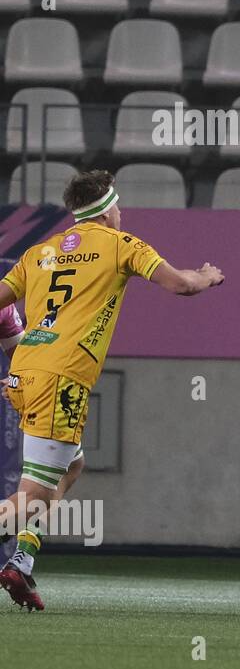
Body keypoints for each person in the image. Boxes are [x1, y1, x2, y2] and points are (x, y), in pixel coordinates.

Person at [0, 171, 224, 610]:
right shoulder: (122, 245)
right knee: (30, 499)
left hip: (25, 371)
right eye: (119, 207)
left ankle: (21, 561)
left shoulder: (38, 252)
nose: (122, 214)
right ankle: (17, 550)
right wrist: (207, 275)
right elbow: (182, 285)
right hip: (61, 379)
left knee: (72, 466)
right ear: (107, 210)